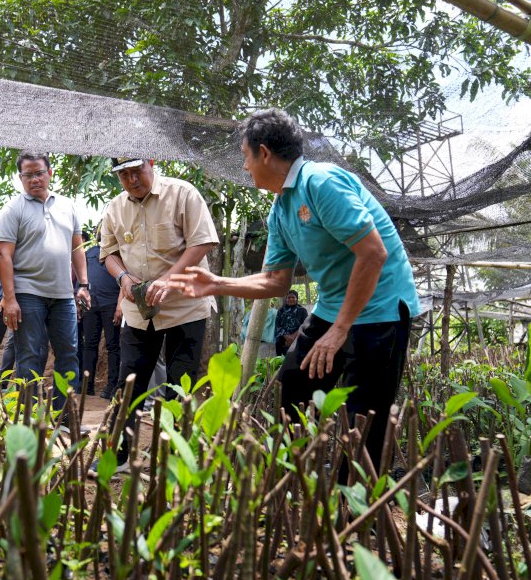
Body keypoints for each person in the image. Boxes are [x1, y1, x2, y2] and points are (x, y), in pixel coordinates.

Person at [170, 108, 420, 474]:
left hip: (381, 310)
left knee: (364, 420)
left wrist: (339, 330)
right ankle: (296, 482)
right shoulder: (281, 210)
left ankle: (350, 517)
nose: (244, 168)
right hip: (334, 307)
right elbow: (275, 281)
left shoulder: (320, 183)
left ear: (265, 153)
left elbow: (373, 253)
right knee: (292, 387)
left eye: (245, 157)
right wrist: (218, 284)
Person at [97, 157, 218, 473]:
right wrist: (123, 277)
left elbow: (202, 242)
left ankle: (174, 458)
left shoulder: (182, 194)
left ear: (151, 163)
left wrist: (169, 279)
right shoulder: (114, 208)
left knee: (180, 385)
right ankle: (119, 456)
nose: (132, 179)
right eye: (124, 174)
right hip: (139, 311)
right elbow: (107, 253)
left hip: (185, 306)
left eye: (137, 171)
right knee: (129, 384)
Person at [0, 151, 91, 412]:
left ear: (50, 173)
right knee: (30, 357)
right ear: (20, 178)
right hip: (27, 294)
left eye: (39, 172)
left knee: (69, 354)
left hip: (63, 296)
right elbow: (5, 255)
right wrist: (10, 298)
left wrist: (83, 285)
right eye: (28, 175)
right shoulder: (13, 209)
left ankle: (64, 417)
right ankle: (29, 420)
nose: (34, 179)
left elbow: (77, 248)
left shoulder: (68, 206)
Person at [82, 226, 123, 398]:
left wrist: (120, 306)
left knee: (113, 346)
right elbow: (82, 275)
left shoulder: (120, 254)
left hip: (111, 305)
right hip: (91, 305)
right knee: (89, 345)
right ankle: (86, 386)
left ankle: (112, 387)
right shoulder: (90, 252)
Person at [274, 290, 308, 356]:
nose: (291, 299)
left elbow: (304, 325)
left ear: (297, 298)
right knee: (281, 360)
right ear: (286, 299)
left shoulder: (302, 310)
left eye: (293, 297)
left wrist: (293, 338)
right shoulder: (281, 311)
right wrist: (287, 338)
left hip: (298, 338)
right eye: (289, 297)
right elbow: (278, 326)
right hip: (283, 340)